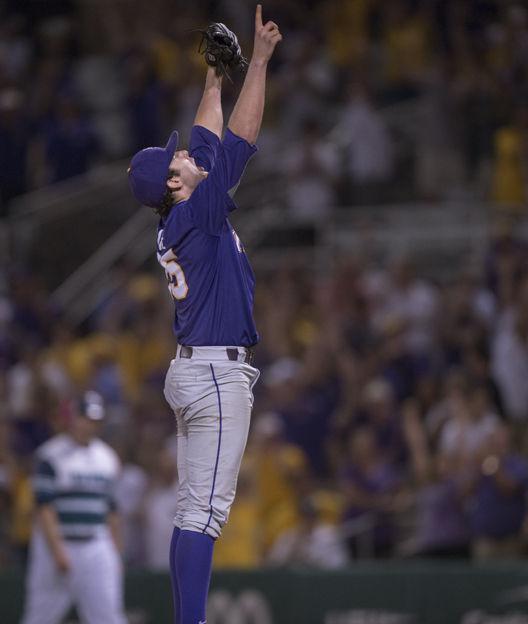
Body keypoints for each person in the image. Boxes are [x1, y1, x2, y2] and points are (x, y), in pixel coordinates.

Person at [126, 6, 281, 624]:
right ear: (173, 183)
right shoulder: (194, 215)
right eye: (177, 159)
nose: (186, 152)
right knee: (203, 515)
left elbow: (209, 142)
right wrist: (260, 64)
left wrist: (214, 81)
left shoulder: (181, 215)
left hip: (197, 371)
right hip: (215, 377)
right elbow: (239, 143)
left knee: (191, 511)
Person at [21, 391, 125, 624]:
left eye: (95, 421)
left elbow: (113, 510)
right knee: (40, 616)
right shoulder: (50, 455)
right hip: (58, 545)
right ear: (72, 419)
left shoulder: (107, 457)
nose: (89, 425)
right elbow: (44, 507)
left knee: (108, 616)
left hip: (96, 545)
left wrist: (116, 553)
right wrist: (57, 550)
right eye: (85, 418)